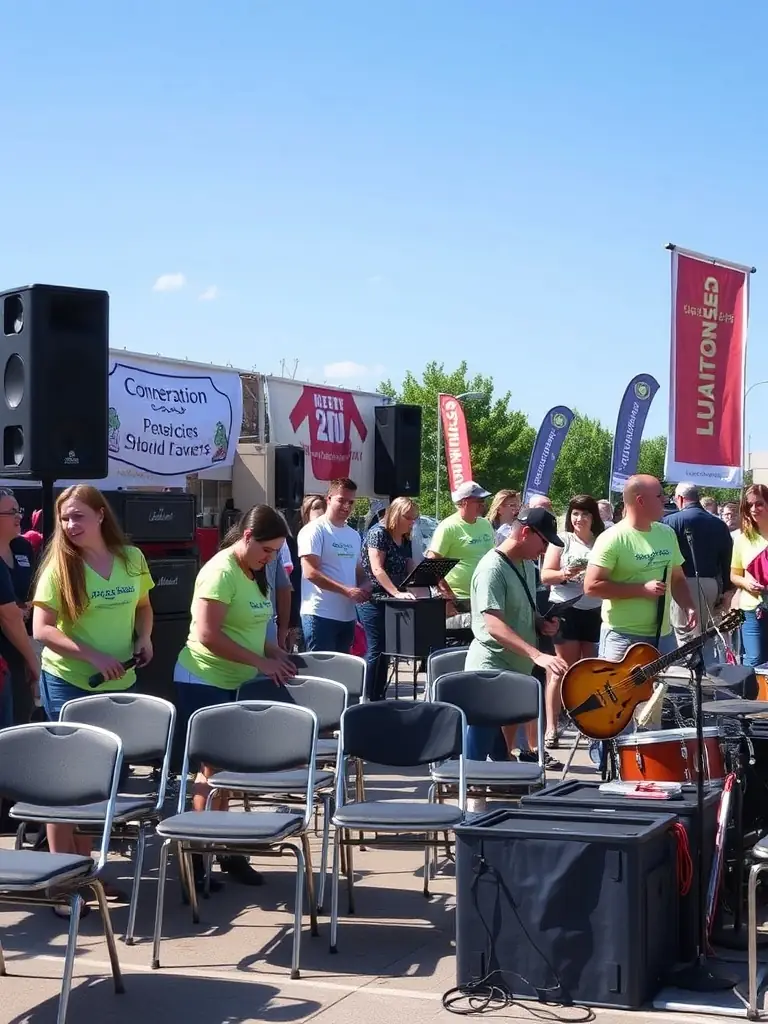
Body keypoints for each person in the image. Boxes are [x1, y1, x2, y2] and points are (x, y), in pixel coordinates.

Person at [31, 484, 154, 912]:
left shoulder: (131, 559)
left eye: (79, 516)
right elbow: (41, 630)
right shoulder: (60, 567)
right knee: (66, 783)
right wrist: (93, 655)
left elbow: (143, 605)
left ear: (101, 516)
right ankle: (60, 880)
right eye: (65, 518)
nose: (70, 525)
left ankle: (87, 871)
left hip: (120, 686)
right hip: (69, 684)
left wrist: (145, 637)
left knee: (101, 784)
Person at [175, 504, 297, 891]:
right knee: (210, 771)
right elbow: (209, 635)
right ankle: (196, 856)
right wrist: (260, 662)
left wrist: (275, 652)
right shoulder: (219, 571)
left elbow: (254, 624)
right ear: (247, 537)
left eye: (276, 552)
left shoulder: (253, 571)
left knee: (226, 772)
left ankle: (225, 850)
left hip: (237, 681)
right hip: (204, 679)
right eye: (268, 550)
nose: (271, 558)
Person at [465, 507, 568, 793]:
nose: (545, 549)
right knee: (475, 755)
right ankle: (469, 807)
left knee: (502, 756)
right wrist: (537, 654)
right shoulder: (491, 568)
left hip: (513, 669)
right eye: (543, 541)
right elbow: (494, 626)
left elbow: (524, 610)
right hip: (490, 670)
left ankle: (498, 789)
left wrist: (542, 624)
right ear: (525, 533)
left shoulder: (525, 564)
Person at [583, 475, 696, 661]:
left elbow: (677, 578)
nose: (665, 500)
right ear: (641, 501)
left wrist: (688, 605)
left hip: (663, 635)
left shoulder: (667, 533)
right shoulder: (612, 538)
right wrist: (641, 589)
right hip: (622, 637)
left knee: (666, 690)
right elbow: (591, 586)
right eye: (659, 496)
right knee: (620, 691)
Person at [540, 495, 604, 747]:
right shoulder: (562, 540)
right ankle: (552, 728)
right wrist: (564, 574)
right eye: (575, 514)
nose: (579, 519)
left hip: (594, 610)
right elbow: (546, 575)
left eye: (585, 514)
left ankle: (586, 724)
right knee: (559, 670)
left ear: (593, 517)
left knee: (588, 671)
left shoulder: (601, 541)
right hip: (565, 609)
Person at [298, 478, 370, 652]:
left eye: (351, 502)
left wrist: (366, 585)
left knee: (340, 672)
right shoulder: (314, 530)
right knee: (321, 673)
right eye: (341, 500)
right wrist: (347, 590)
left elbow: (359, 571)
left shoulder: (353, 535)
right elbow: (310, 572)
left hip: (347, 616)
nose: (346, 506)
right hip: (320, 614)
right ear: (328, 499)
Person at [663, 482, 733, 658]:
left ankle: (690, 680)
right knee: (707, 636)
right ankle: (710, 675)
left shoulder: (670, 522)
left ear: (679, 499)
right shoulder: (719, 524)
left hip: (682, 585)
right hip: (712, 585)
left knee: (685, 637)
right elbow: (726, 560)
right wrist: (726, 590)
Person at [359, 497, 418, 701]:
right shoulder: (378, 533)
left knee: (387, 649)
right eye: (408, 517)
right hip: (372, 599)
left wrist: (419, 585)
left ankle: (380, 694)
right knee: (376, 648)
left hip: (393, 599)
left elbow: (410, 564)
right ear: (395, 514)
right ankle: (367, 696)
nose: (412, 522)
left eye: (414, 518)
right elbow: (377, 569)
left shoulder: (405, 537)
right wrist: (396, 592)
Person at [0, 489, 41, 727]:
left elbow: (32, 591)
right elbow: (7, 616)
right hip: (8, 649)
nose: (19, 517)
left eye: (19, 510)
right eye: (11, 511)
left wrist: (27, 606)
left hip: (23, 642)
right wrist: (33, 662)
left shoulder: (23, 548)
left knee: (22, 717)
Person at [426, 481, 494, 620]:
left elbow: (493, 557)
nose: (483, 504)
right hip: (458, 599)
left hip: (484, 596)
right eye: (479, 501)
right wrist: (446, 596)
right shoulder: (448, 527)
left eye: (483, 500)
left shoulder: (485, 524)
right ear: (464, 502)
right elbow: (432, 564)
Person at [731, 484, 768, 667]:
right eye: (749, 505)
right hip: (752, 609)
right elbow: (734, 575)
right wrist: (746, 582)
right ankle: (751, 696)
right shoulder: (742, 539)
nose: (754, 509)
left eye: (759, 504)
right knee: (754, 659)